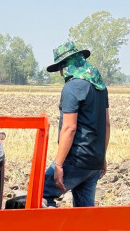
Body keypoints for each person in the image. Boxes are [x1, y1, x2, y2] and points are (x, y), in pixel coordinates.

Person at [43, 41, 110, 207]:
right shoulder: (100, 86)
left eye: (60, 68)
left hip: (76, 160)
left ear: (65, 66)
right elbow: (107, 124)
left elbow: (69, 128)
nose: (60, 73)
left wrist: (58, 165)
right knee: (84, 213)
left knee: (40, 194)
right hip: (94, 162)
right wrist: (102, 157)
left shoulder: (72, 87)